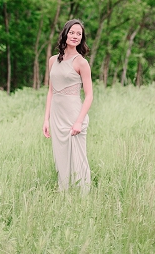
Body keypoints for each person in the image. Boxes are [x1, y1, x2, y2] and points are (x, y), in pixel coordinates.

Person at [43, 19, 94, 193]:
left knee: (78, 157)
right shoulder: (52, 61)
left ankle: (83, 195)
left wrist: (79, 121)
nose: (75, 36)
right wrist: (46, 119)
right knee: (61, 157)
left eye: (79, 34)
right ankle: (65, 193)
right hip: (57, 116)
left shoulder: (82, 63)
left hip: (74, 115)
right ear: (65, 33)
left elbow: (89, 96)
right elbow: (51, 91)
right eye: (72, 32)